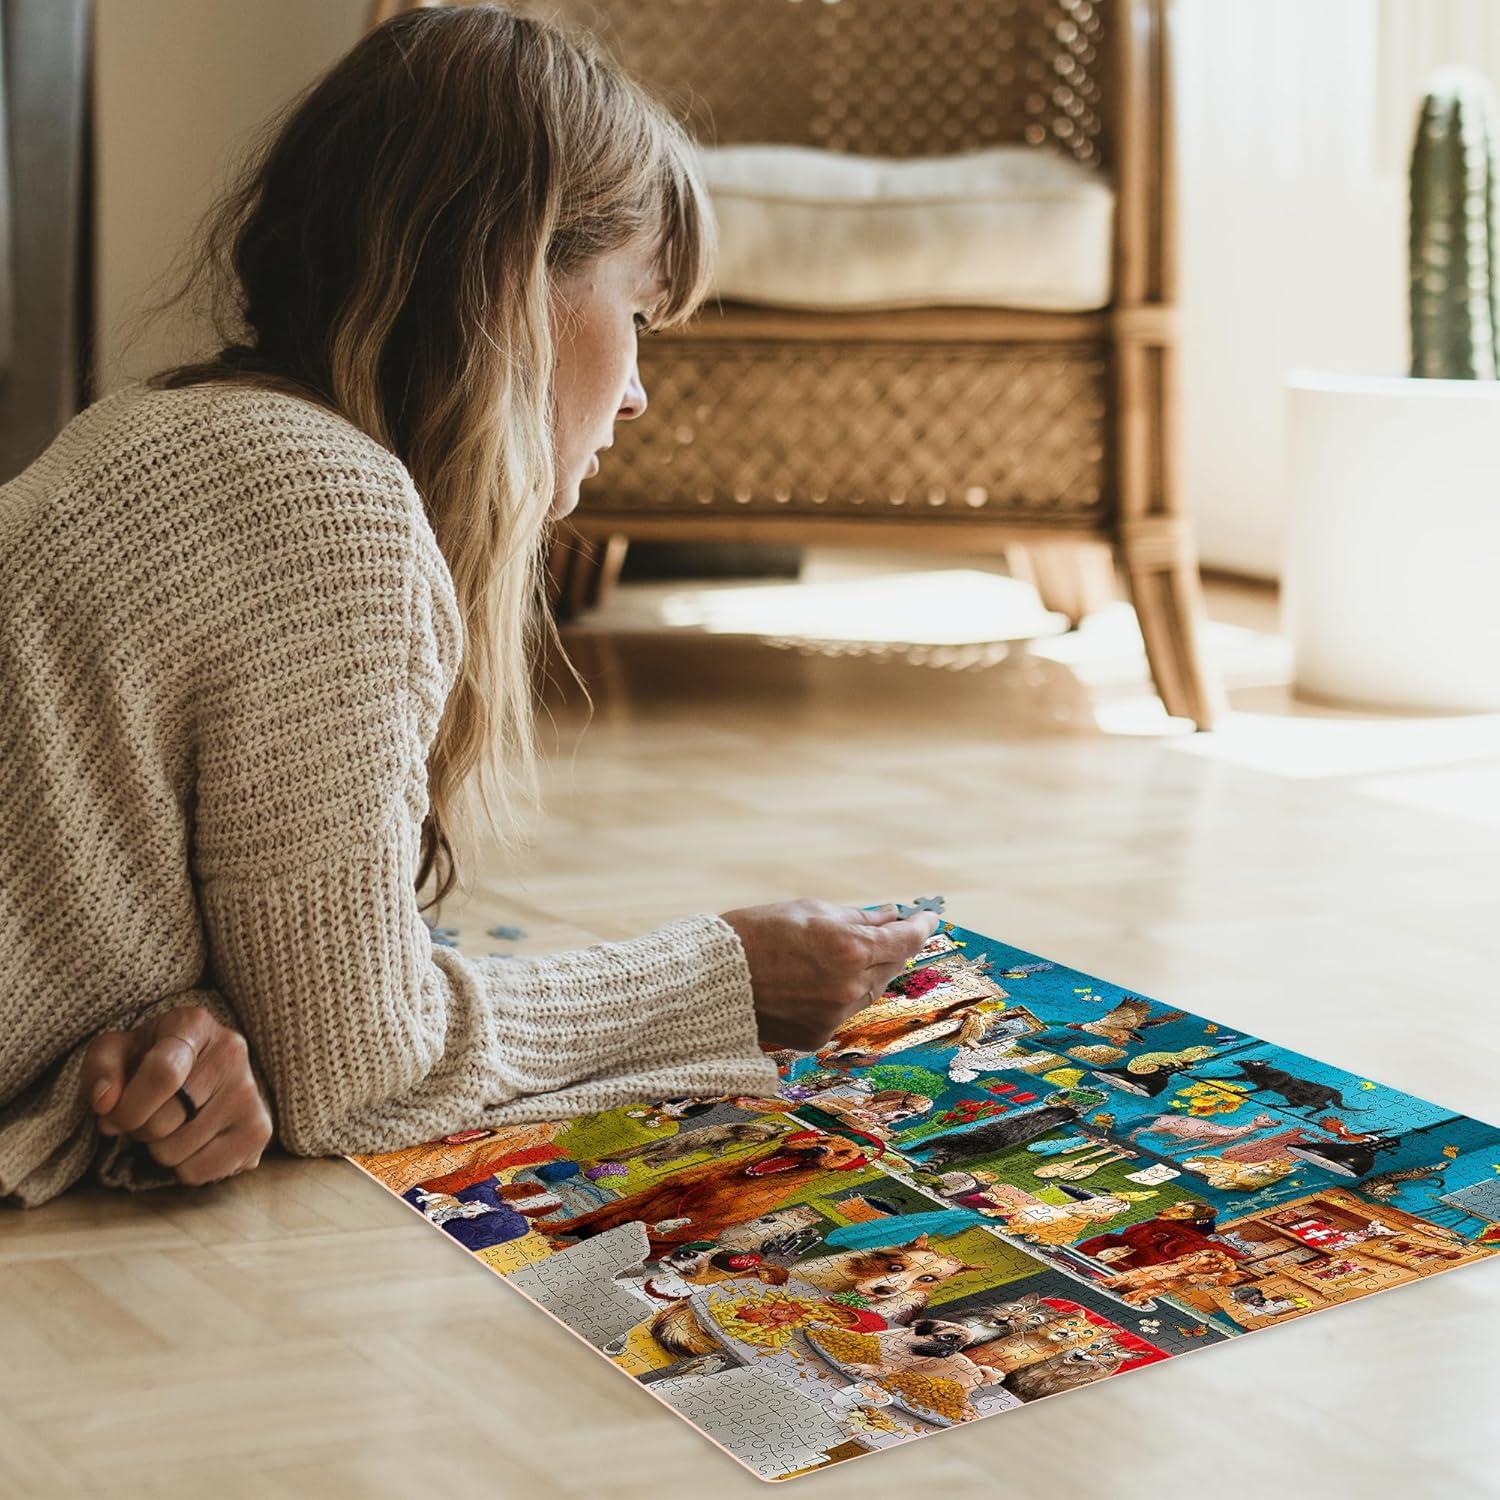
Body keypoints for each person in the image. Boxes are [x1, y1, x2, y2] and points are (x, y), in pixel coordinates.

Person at [0, 5, 940, 1209]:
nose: (640, 394)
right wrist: (724, 971)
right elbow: (363, 1072)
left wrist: (213, 1028)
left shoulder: (177, 428)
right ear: (512, 280)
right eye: (638, 315)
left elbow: (280, 1004)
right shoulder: (329, 504)